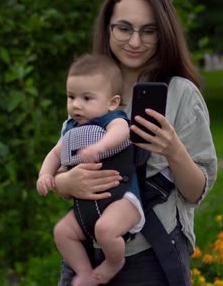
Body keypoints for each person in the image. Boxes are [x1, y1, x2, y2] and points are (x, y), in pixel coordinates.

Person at [53, 0, 218, 285]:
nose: (135, 42)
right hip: (85, 252)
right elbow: (63, 162)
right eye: (124, 28)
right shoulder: (90, 88)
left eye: (149, 31)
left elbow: (196, 191)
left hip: (149, 255)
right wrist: (65, 183)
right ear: (108, 28)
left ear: (163, 33)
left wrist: (173, 149)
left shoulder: (180, 93)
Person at [36, 54, 145, 286]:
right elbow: (55, 154)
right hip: (86, 209)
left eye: (86, 98)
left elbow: (122, 132)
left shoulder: (113, 120)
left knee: (106, 229)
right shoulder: (71, 128)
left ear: (112, 102)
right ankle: (84, 271)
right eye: (71, 97)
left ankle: (115, 262)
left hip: (123, 201)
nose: (76, 105)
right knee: (62, 232)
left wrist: (100, 147)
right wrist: (45, 174)